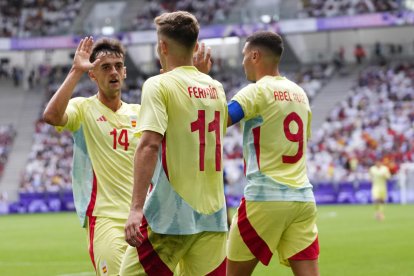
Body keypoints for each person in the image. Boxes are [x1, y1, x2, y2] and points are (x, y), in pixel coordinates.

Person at [121, 11, 228, 275]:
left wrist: (135, 209)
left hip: (169, 216)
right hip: (213, 216)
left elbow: (149, 145)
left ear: (164, 46)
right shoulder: (217, 88)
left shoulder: (158, 85)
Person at [43, 37, 141, 275]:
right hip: (105, 218)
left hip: (143, 217)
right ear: (93, 75)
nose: (113, 71)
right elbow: (52, 116)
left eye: (118, 66)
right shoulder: (83, 108)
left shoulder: (140, 112)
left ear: (125, 72)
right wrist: (76, 70)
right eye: (105, 67)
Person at [225, 31, 319, 275]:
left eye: (244, 55)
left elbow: (218, 119)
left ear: (254, 55)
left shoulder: (256, 91)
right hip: (302, 199)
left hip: (265, 199)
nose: (243, 61)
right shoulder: (300, 94)